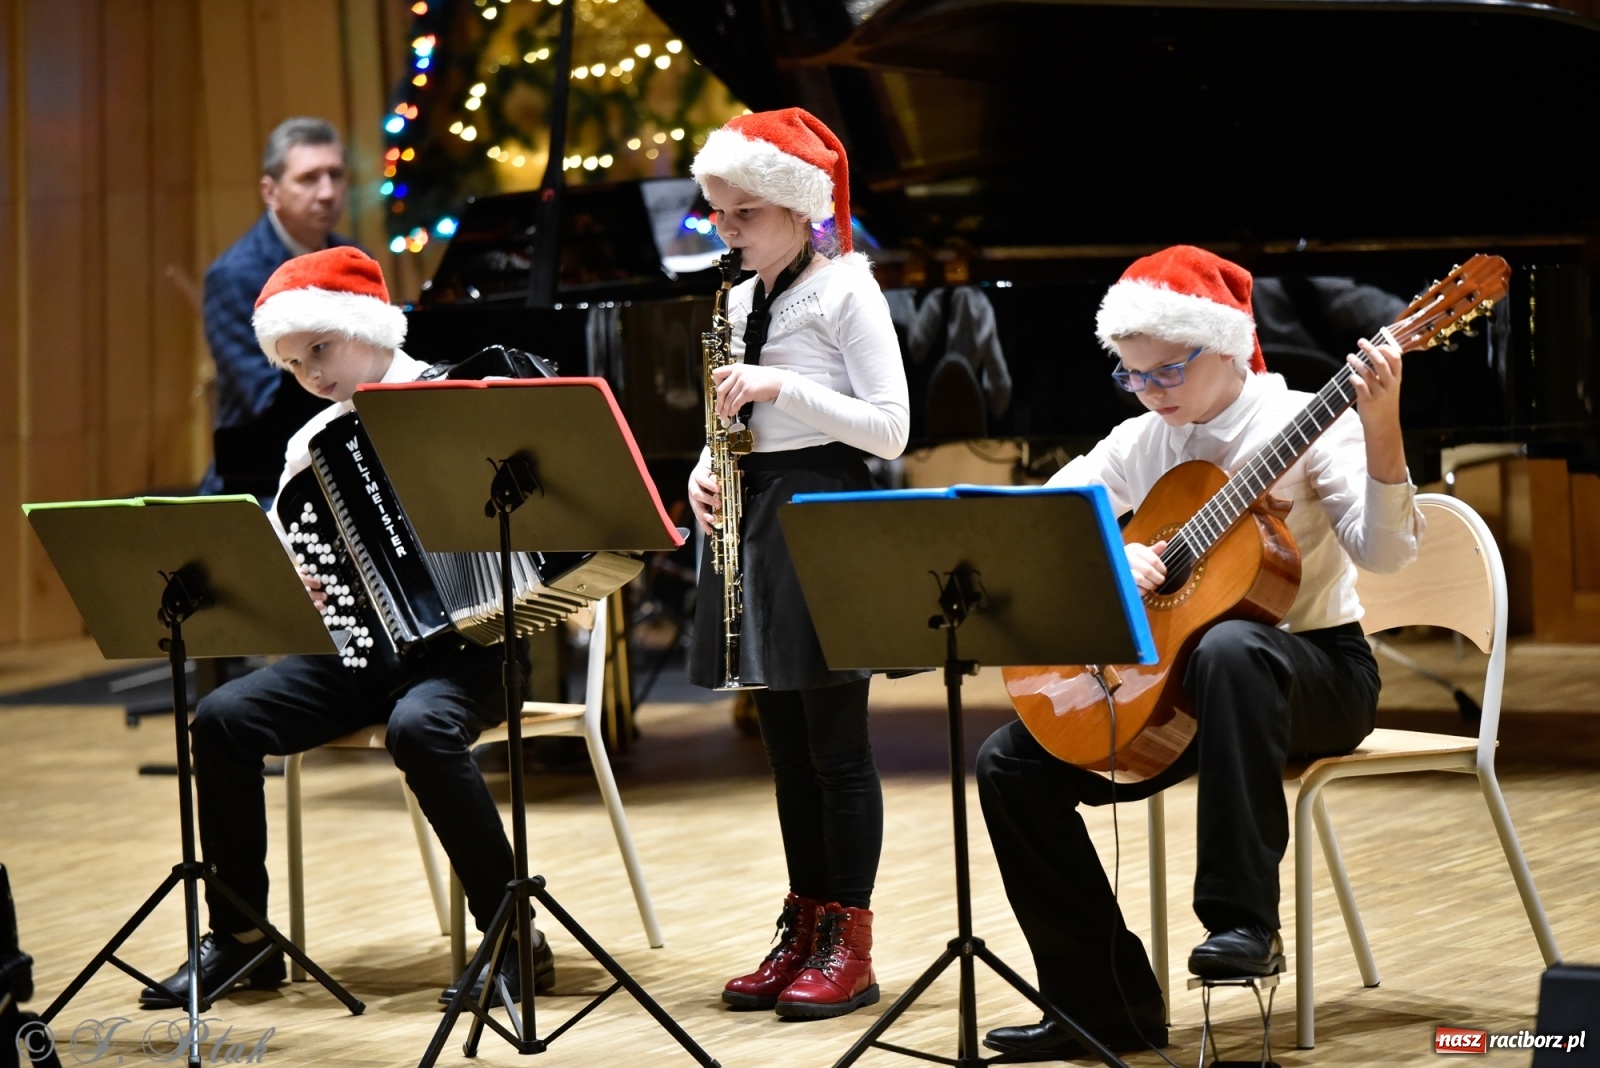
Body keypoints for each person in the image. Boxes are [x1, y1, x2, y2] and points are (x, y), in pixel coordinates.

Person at [976, 245, 1422, 1060]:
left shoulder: (1301, 421)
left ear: (1222, 347)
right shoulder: (1139, 440)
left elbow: (1386, 555)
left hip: (1315, 672)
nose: (1149, 392)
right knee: (1009, 763)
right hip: (1185, 690)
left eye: (1166, 374)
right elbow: (1034, 531)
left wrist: (1382, 427)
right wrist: (1109, 557)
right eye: (1133, 376)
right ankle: (1105, 1004)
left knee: (1232, 646)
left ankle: (1243, 924)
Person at [142, 247, 547, 1009]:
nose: (312, 376)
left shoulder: (459, 400)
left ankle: (513, 934)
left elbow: (542, 531)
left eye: (320, 350)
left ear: (367, 327)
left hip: (471, 658)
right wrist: (297, 579)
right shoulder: (311, 443)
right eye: (294, 364)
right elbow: (288, 551)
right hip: (358, 656)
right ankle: (242, 942)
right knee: (222, 718)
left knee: (420, 728)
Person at [686, 108, 909, 1019]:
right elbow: (737, 415)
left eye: (743, 215)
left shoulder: (848, 289)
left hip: (824, 510)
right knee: (783, 750)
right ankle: (804, 923)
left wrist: (785, 386)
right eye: (720, 216)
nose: (727, 232)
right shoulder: (737, 299)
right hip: (753, 513)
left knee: (836, 750)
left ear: (795, 208)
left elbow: (892, 426)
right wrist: (705, 463)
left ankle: (848, 942)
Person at [198, 117, 355, 501]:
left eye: (335, 175)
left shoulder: (354, 258)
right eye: (308, 178)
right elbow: (267, 398)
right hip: (261, 478)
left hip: (340, 452)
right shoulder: (234, 276)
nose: (327, 192)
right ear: (270, 191)